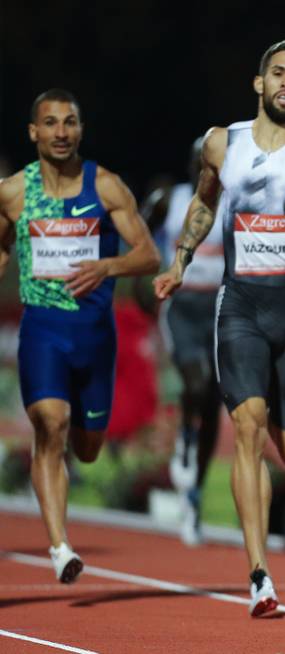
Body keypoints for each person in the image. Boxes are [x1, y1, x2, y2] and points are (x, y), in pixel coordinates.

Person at [153, 39, 285, 618]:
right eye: (277, 73)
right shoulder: (225, 144)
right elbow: (202, 205)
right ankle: (259, 576)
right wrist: (179, 261)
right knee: (247, 429)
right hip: (240, 306)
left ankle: (267, 401)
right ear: (259, 82)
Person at [0, 88, 160, 583]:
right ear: (34, 132)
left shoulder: (106, 186)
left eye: (69, 123)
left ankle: (71, 468)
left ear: (80, 130)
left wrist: (108, 266)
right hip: (43, 329)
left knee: (88, 445)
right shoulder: (13, 193)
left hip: (94, 335)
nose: (61, 132)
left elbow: (149, 255)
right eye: (50, 123)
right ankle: (59, 546)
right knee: (52, 424)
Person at [144, 137, 225, 546]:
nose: (207, 168)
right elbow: (138, 237)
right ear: (194, 165)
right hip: (182, 308)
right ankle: (185, 441)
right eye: (201, 161)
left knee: (212, 400)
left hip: (221, 307)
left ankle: (195, 491)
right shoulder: (171, 200)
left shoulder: (233, 203)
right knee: (196, 382)